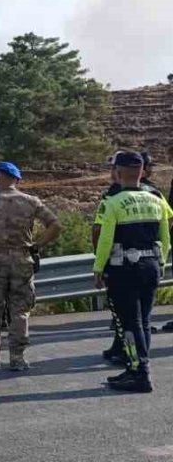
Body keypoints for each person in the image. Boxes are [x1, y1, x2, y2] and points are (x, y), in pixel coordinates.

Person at [0, 162, 63, 371]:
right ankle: (17, 357)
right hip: (21, 259)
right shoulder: (30, 201)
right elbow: (56, 225)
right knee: (20, 310)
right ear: (17, 180)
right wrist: (37, 245)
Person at [92, 151, 173, 393]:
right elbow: (166, 234)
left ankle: (139, 371)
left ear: (117, 172)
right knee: (144, 321)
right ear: (141, 172)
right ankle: (137, 367)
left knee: (129, 323)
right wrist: (162, 263)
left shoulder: (112, 201)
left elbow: (105, 239)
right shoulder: (156, 197)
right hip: (151, 266)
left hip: (123, 268)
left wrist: (98, 268)